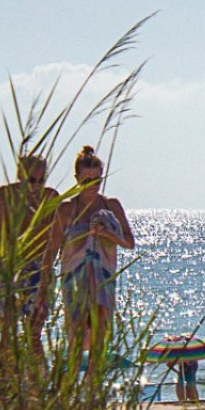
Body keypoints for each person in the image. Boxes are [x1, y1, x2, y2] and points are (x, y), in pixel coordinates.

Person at [53, 145, 135, 367]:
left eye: (97, 180)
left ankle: (93, 387)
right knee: (76, 335)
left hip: (103, 279)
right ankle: (69, 388)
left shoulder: (111, 205)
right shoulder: (67, 209)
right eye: (87, 180)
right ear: (77, 179)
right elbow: (53, 249)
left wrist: (105, 233)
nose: (92, 186)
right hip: (74, 279)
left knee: (100, 334)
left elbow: (129, 243)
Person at [0, 153, 59, 354]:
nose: (35, 185)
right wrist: (11, 261)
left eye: (40, 180)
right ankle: (5, 377)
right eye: (31, 180)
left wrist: (45, 270)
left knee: (34, 333)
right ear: (20, 176)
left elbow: (55, 239)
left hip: (40, 267)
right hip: (11, 266)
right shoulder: (3, 196)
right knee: (7, 330)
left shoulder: (50, 198)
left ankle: (40, 382)